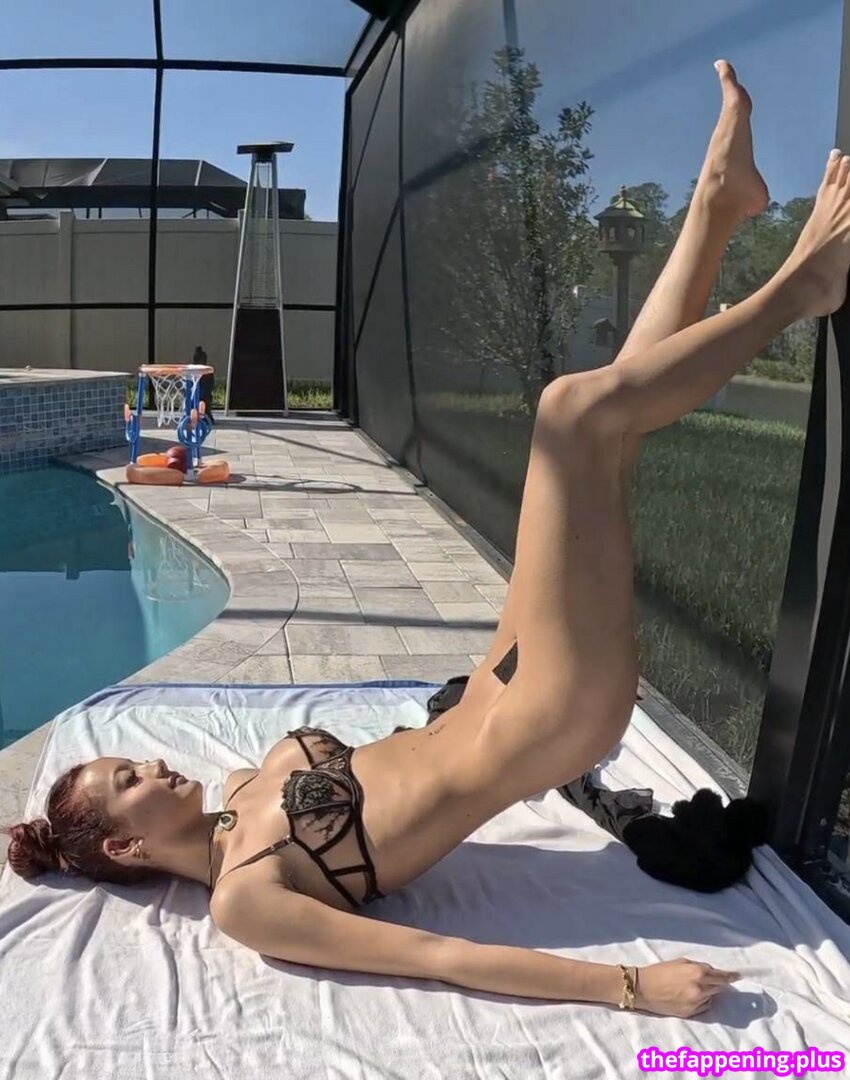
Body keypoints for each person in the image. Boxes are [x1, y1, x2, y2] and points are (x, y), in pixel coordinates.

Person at [3, 60, 846, 1017]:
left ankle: (717, 210)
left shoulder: (239, 790)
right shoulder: (246, 898)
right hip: (551, 720)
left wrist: (35, 837)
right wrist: (631, 987)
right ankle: (800, 286)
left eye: (133, 761)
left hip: (503, 679)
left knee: (601, 433)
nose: (153, 763)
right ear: (126, 844)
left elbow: (67, 834)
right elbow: (436, 954)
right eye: (129, 778)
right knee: (574, 415)